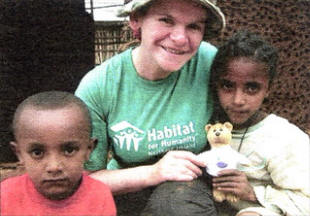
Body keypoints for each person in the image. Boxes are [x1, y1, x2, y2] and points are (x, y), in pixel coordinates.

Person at [75, 0, 226, 215]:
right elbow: (86, 182)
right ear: (136, 20)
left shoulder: (210, 63)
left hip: (189, 190)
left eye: (194, 26)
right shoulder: (99, 85)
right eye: (166, 20)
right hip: (130, 186)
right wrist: (153, 172)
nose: (180, 38)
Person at [209, 30, 310, 216]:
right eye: (228, 86)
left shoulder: (284, 138)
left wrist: (253, 193)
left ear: (268, 89)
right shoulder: (211, 127)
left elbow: (306, 201)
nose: (238, 100)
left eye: (252, 88)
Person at [0, 91, 117, 216]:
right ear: (19, 154)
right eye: (37, 153)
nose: (54, 167)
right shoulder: (6, 196)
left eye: (69, 150)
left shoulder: (98, 196)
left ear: (89, 149)